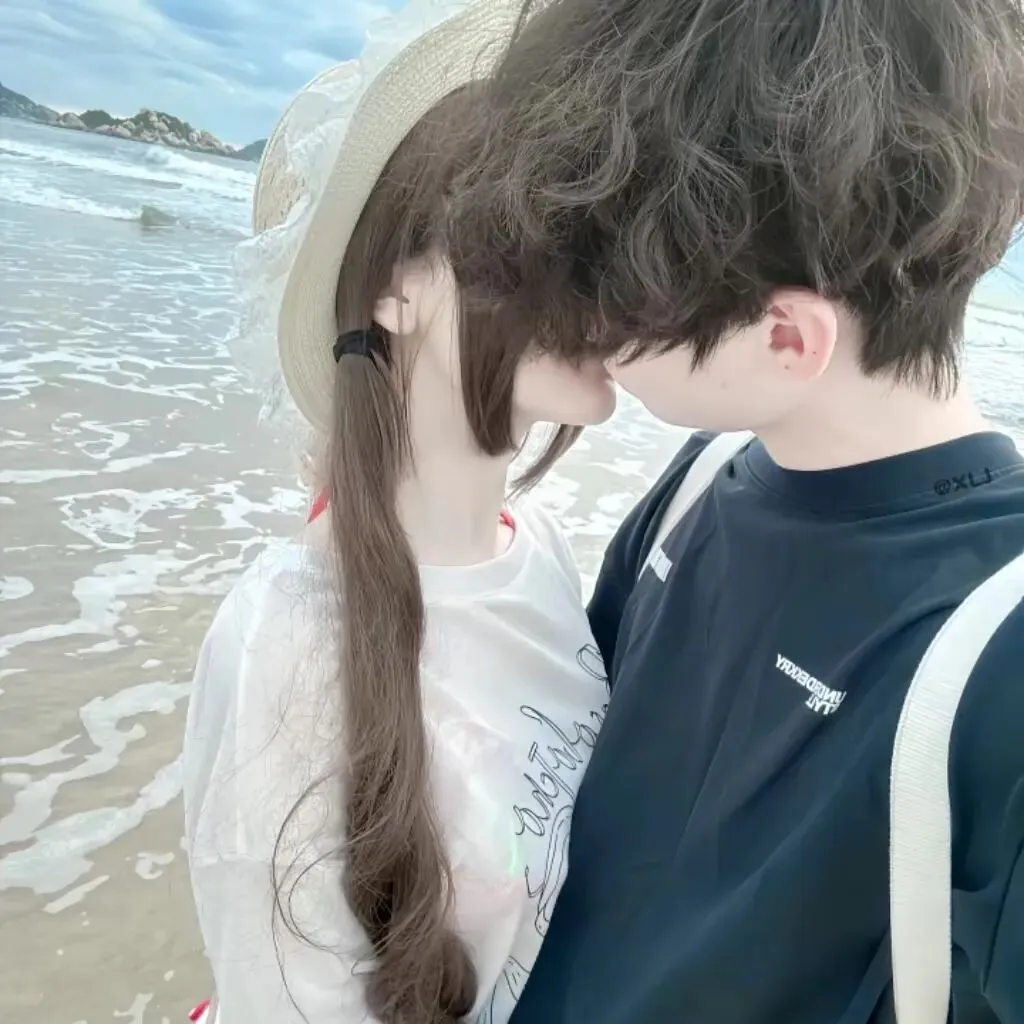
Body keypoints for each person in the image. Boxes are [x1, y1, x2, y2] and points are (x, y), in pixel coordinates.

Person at [440, 0, 1024, 1021]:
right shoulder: (698, 482)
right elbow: (558, 787)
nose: (579, 329)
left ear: (786, 338)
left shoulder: (999, 647)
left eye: (613, 301)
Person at [181, 3, 616, 1022]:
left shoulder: (545, 554)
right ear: (395, 288)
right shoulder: (288, 640)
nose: (607, 280)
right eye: (543, 231)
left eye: (602, 231)